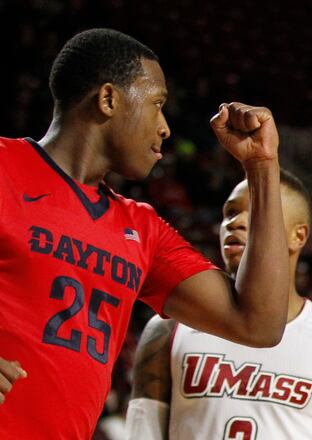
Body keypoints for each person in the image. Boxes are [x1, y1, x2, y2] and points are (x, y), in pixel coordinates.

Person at [0, 29, 291, 438]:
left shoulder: (143, 229)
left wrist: (262, 167)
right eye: (157, 105)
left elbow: (258, 324)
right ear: (108, 100)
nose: (165, 128)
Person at [126, 173, 312, 439]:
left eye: (256, 214)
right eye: (230, 213)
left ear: (298, 236)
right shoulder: (168, 329)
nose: (235, 223)